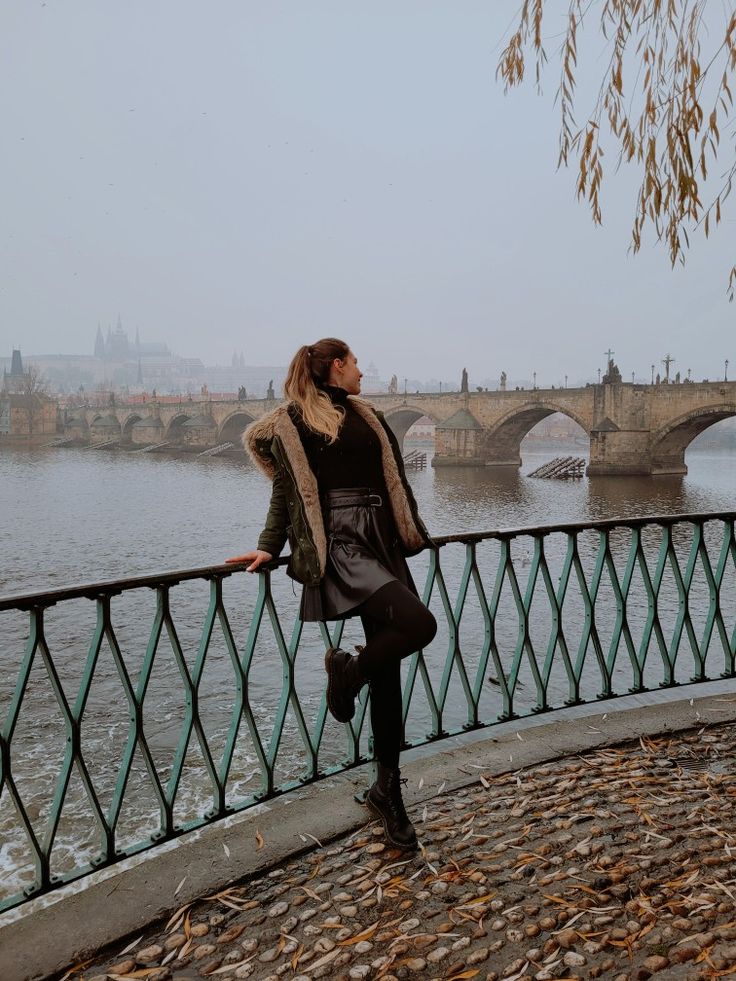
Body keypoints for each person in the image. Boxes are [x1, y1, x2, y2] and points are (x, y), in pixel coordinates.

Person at [227, 338, 437, 850]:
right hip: (341, 542)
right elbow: (287, 491)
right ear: (337, 366)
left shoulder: (368, 414)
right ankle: (347, 672)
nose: (364, 372)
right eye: (357, 363)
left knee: (389, 674)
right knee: (420, 625)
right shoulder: (293, 422)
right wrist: (266, 547)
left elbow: (391, 480)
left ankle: (388, 791)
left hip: (380, 537)